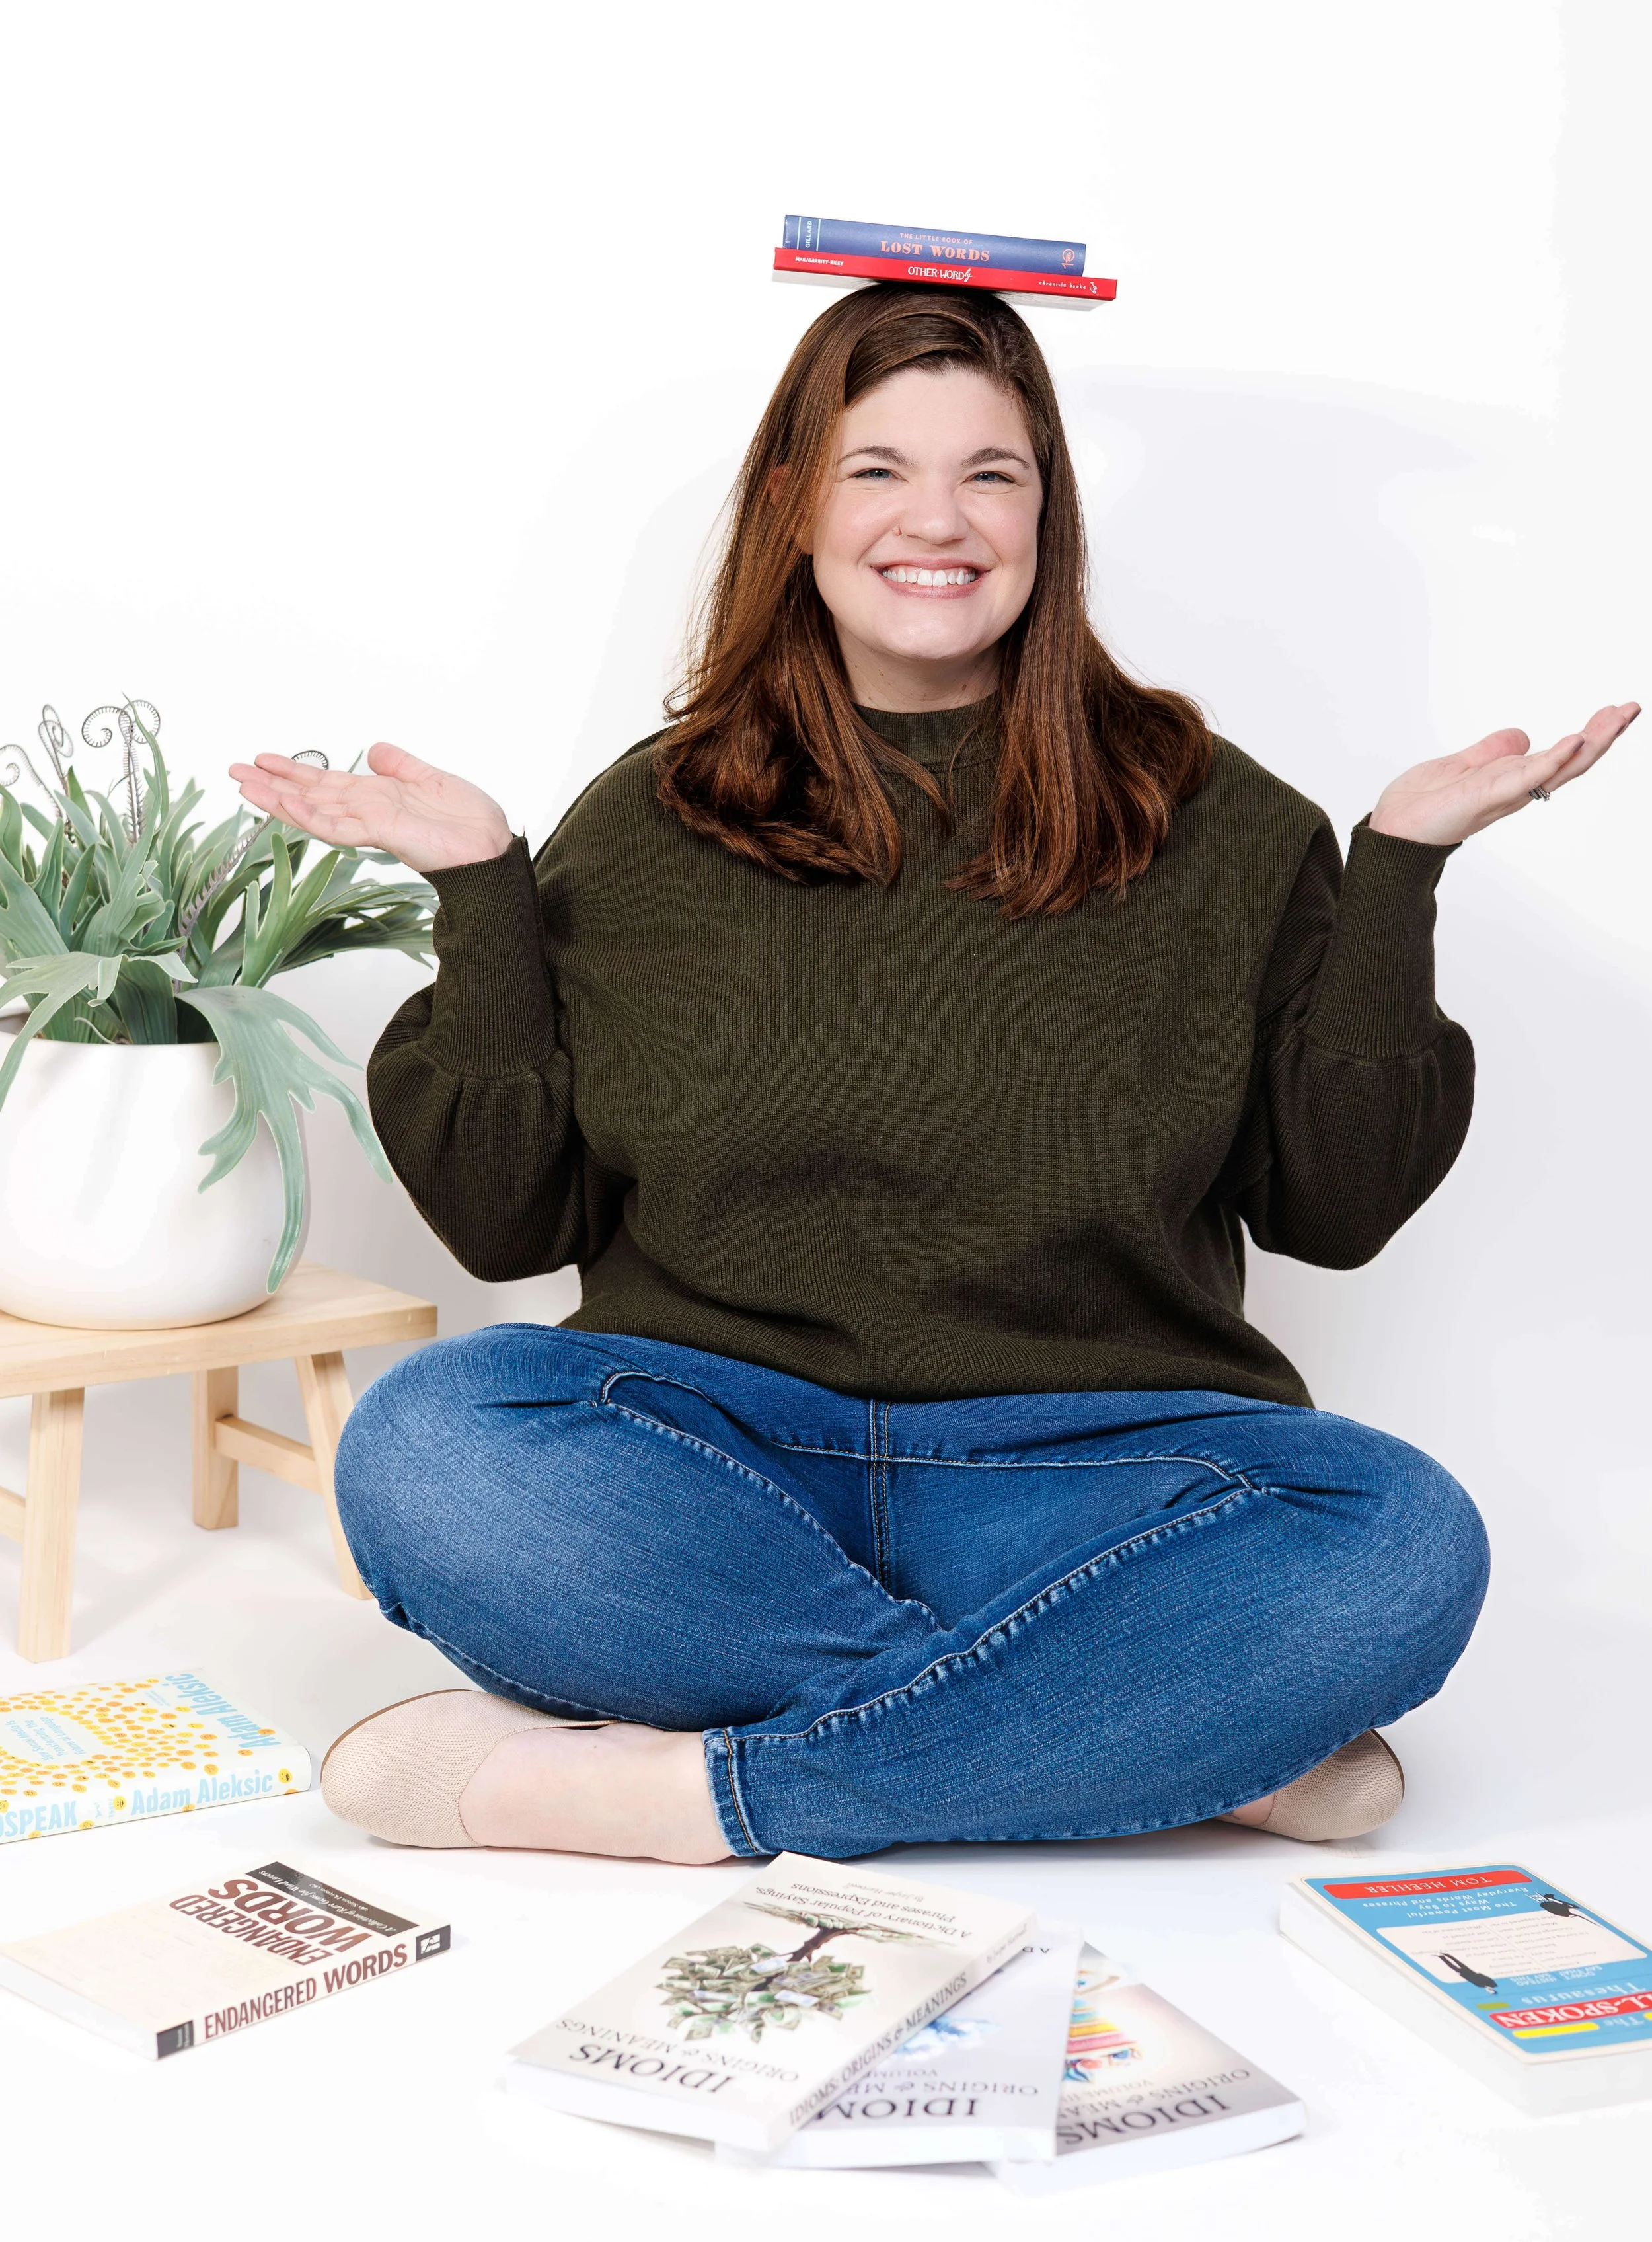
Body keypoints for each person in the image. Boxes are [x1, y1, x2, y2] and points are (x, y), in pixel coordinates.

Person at [231, 285, 1637, 1865]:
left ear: (1047, 511)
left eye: (992, 472)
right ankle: (1160, 1731)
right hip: (724, 1464)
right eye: (877, 468)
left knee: (1398, 1541)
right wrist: (481, 887)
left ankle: (689, 1799)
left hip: (1100, 1477)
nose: (938, 520)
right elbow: (504, 1224)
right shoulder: (652, 821)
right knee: (428, 1441)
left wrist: (1397, 873)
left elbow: (1335, 1207)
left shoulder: (1220, 822)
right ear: (795, 506)